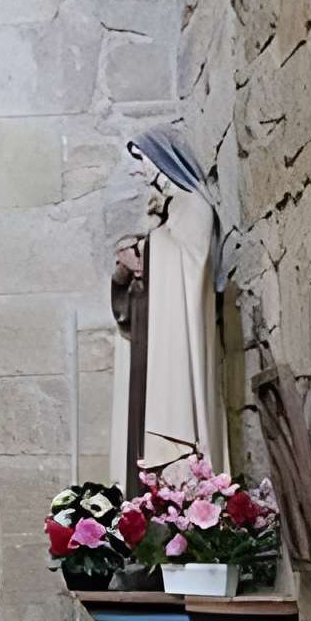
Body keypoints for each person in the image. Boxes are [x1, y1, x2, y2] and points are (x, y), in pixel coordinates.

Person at [110, 129, 229, 489]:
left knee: (177, 426)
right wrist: (126, 268)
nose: (139, 171)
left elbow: (193, 265)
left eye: (142, 161)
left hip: (178, 342)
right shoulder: (164, 214)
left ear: (163, 161)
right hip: (155, 337)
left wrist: (148, 249)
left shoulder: (193, 205)